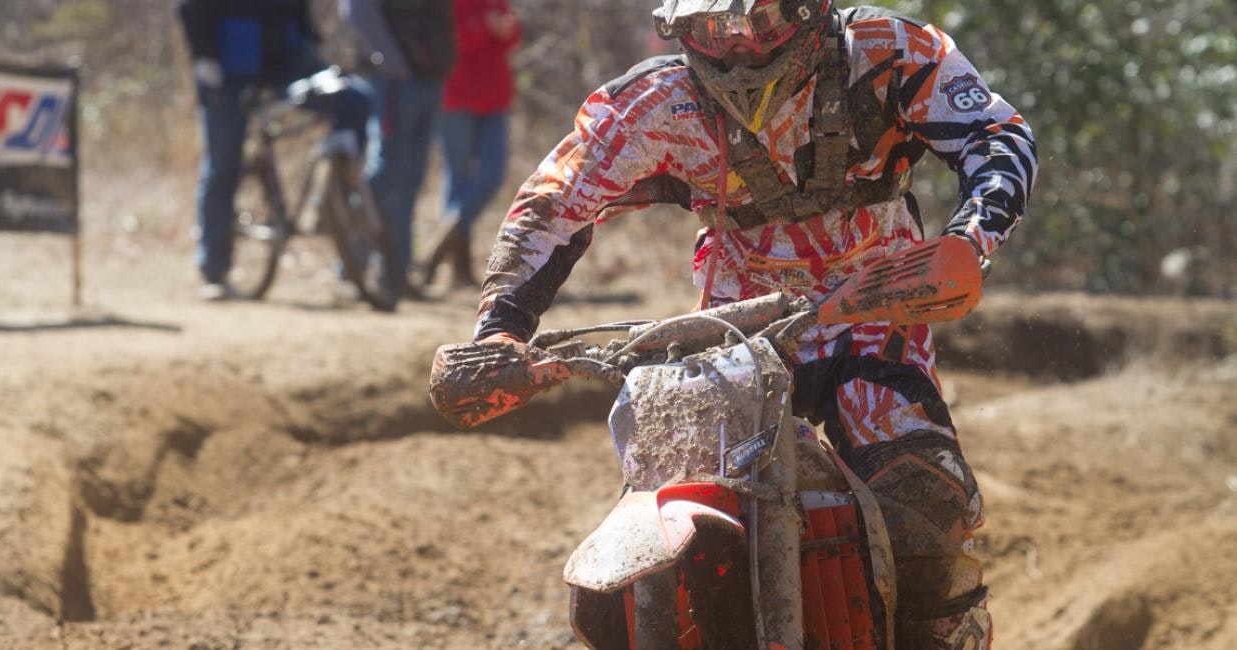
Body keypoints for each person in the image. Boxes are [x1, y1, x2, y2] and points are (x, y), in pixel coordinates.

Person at [470, 1, 1037, 647]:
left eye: (761, 23)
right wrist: (500, 331)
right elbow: (552, 205)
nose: (740, 48)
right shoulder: (655, 98)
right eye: (715, 29)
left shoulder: (886, 49)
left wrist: (972, 238)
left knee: (922, 498)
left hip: (876, 309)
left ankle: (943, 634)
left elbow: (997, 136)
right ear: (679, 30)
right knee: (687, 496)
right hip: (737, 331)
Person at [178, 0, 372, 301]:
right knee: (223, 167)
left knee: (355, 98)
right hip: (227, 72)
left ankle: (333, 203)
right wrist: (204, 56)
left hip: (289, 65)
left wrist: (311, 44)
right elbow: (190, 8)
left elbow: (301, 13)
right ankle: (213, 270)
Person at [340, 0, 456, 296]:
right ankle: (354, 265)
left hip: (429, 77)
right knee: (385, 174)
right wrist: (391, 61)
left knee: (410, 178)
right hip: (396, 81)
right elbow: (356, 9)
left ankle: (396, 272)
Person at [416, 0, 522, 290]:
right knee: (458, 178)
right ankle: (457, 271)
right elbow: (443, 40)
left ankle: (436, 249)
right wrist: (483, 27)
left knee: (492, 175)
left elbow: (512, 36)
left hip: (495, 94)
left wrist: (506, 29)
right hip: (456, 94)